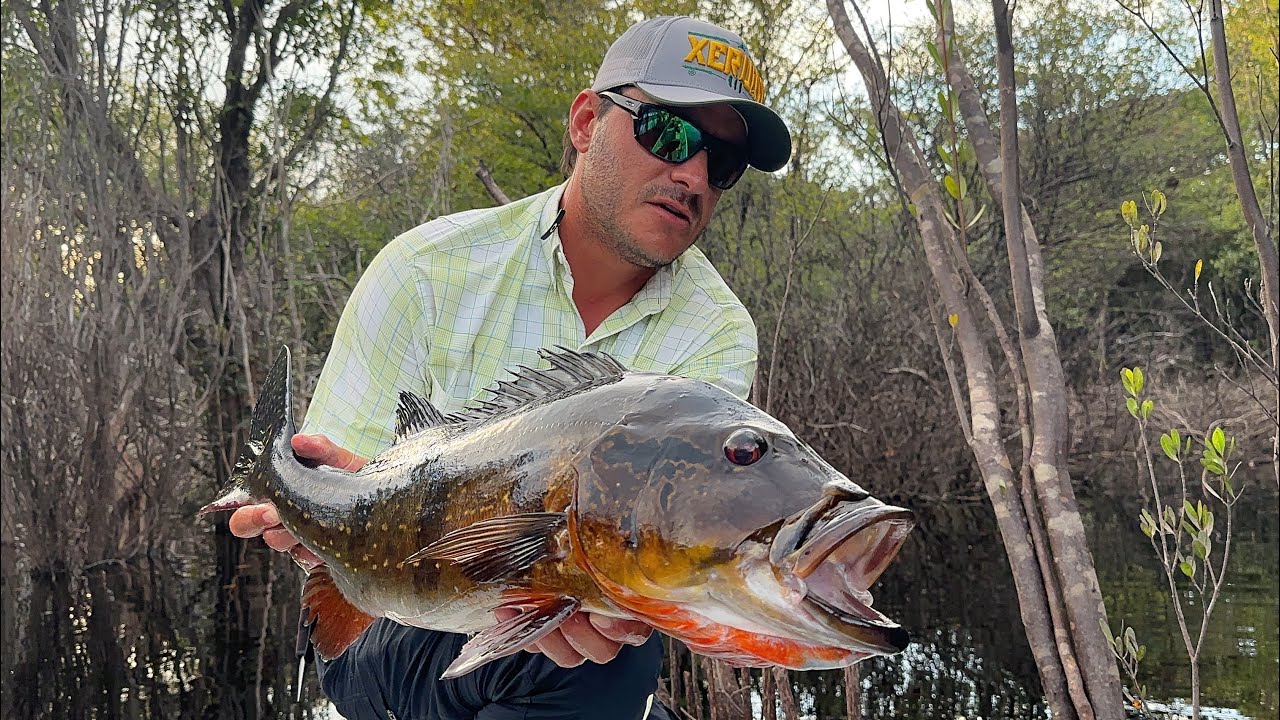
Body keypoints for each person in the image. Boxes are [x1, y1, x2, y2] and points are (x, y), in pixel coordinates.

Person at [228, 15, 792, 720]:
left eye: (723, 163)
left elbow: (680, 551)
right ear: (587, 121)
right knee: (588, 665)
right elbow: (342, 529)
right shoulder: (422, 271)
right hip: (386, 616)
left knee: (605, 650)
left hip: (574, 638)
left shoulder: (716, 331)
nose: (693, 174)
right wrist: (304, 503)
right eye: (669, 133)